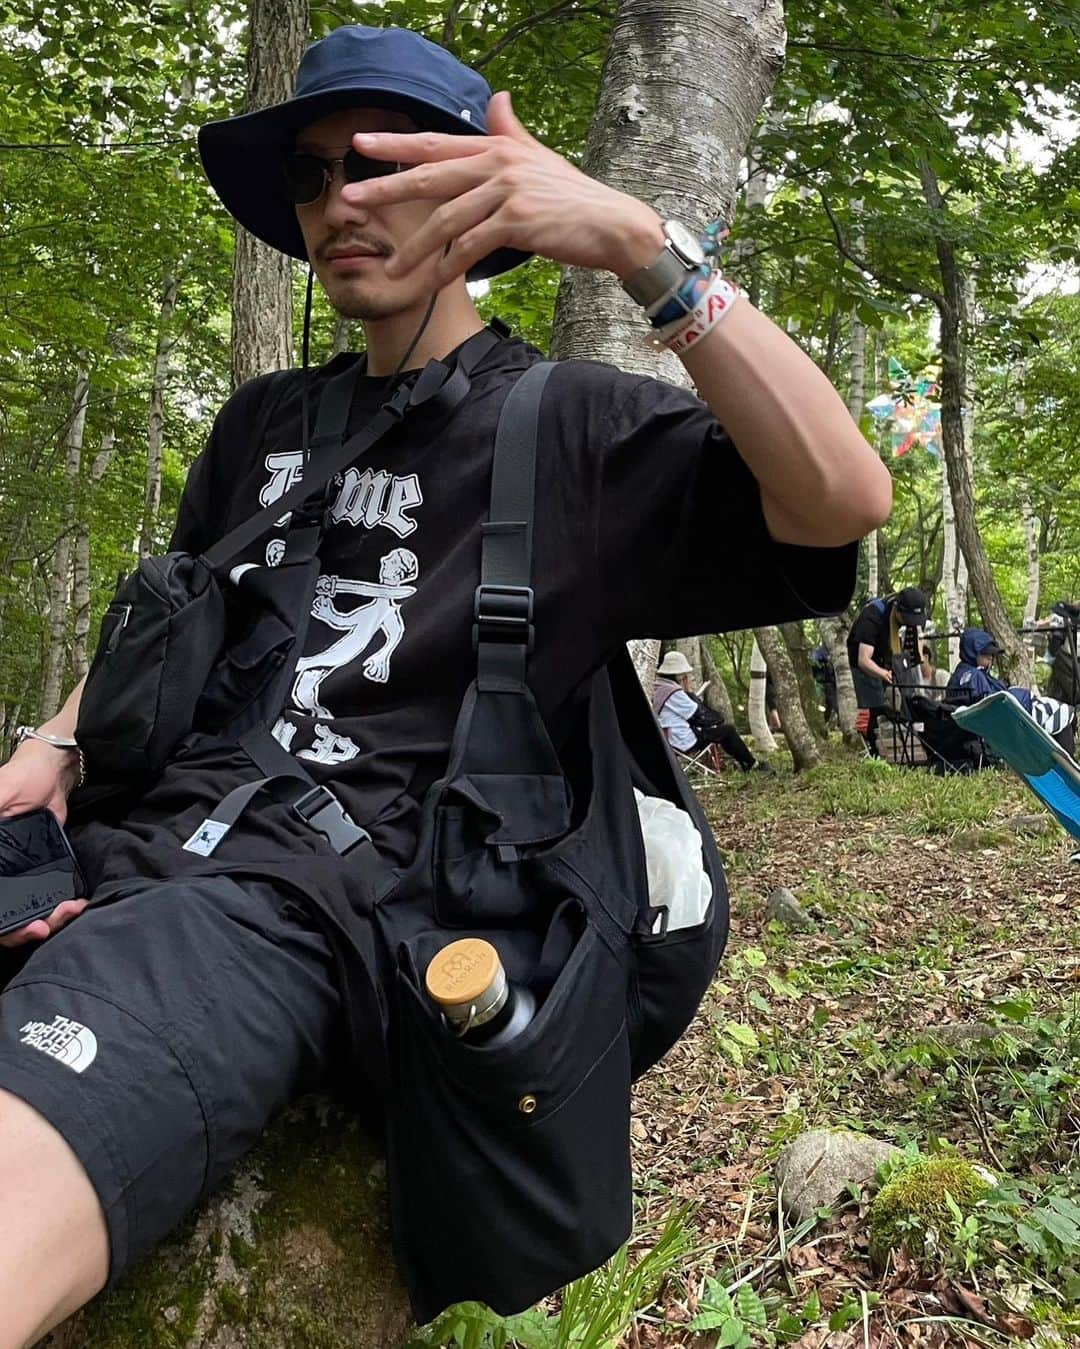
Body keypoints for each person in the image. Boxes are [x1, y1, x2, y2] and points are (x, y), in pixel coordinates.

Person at [0, 24, 890, 1343]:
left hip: (328, 913)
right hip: (144, 843)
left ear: (485, 199)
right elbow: (177, 613)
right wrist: (56, 745)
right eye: (310, 175)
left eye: (384, 164)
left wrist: (642, 245)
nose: (339, 202)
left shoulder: (568, 424)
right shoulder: (264, 424)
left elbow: (837, 502)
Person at [947, 627, 1075, 755]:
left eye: (992, 655)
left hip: (1004, 720)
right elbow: (993, 707)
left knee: (1058, 711)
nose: (991, 658)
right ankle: (1068, 763)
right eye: (986, 654)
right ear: (973, 653)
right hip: (1013, 720)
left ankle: (1063, 760)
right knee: (1063, 712)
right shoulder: (975, 677)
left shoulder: (959, 676)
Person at [652, 651, 769, 772]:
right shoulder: (674, 692)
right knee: (728, 730)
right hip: (681, 741)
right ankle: (752, 764)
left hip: (668, 738)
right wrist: (689, 691)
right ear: (679, 674)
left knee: (721, 731)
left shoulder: (658, 688)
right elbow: (699, 713)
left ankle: (746, 763)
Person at [845, 586, 928, 755]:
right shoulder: (872, 617)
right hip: (866, 663)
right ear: (897, 609)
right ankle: (872, 750)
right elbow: (863, 660)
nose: (908, 623)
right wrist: (883, 674)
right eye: (906, 618)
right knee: (874, 706)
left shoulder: (905, 621)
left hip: (888, 659)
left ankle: (895, 742)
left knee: (900, 703)